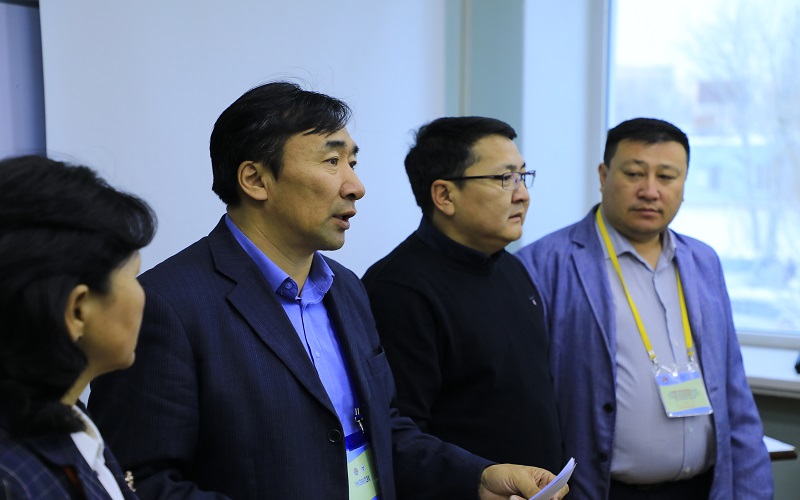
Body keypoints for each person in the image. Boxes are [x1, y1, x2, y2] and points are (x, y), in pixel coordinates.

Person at [88, 82, 566, 500]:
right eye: (332, 161)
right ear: (255, 179)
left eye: (352, 162)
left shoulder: (347, 289)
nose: (355, 186)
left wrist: (477, 477)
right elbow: (140, 480)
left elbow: (383, 431)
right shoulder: (168, 304)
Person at [516, 117, 773, 499]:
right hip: (602, 490)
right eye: (635, 173)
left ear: (683, 185)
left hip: (704, 488)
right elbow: (524, 407)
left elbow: (734, 393)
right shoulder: (543, 264)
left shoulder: (703, 261)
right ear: (603, 175)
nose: (650, 190)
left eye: (667, 177)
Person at [362, 117, 563, 471]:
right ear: (444, 196)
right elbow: (400, 434)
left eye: (523, 176)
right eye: (505, 179)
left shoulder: (512, 268)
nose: (522, 194)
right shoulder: (398, 289)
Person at [0, 155, 156, 499]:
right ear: (77, 310)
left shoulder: (69, 416)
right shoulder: (11, 481)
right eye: (134, 276)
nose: (143, 293)